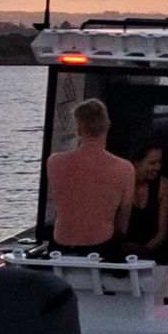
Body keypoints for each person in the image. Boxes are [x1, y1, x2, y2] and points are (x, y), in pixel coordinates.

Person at [46, 97, 135, 255]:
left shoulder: (54, 162)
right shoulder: (125, 168)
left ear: (79, 130)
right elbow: (122, 226)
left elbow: (58, 206)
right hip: (102, 250)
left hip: (60, 249)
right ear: (108, 126)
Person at [126, 141, 168, 259]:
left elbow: (163, 232)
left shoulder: (164, 186)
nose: (158, 168)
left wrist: (142, 252)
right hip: (123, 254)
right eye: (152, 163)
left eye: (160, 162)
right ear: (137, 163)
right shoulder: (121, 186)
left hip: (152, 253)